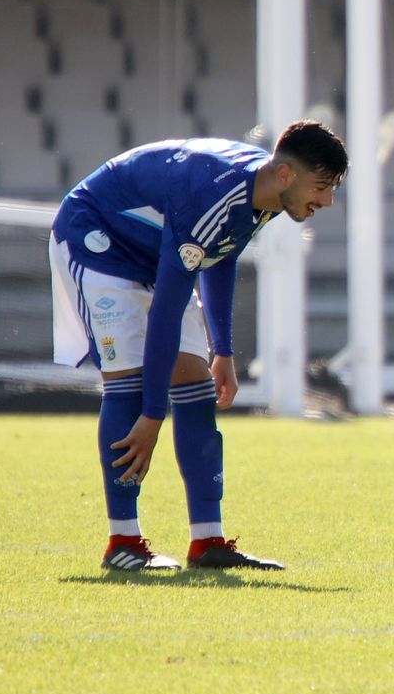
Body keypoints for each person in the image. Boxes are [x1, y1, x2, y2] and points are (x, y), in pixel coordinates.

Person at [49, 120, 348, 571]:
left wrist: (221, 349)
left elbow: (221, 251)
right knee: (129, 383)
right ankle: (122, 541)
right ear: (285, 174)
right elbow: (166, 314)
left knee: (195, 384)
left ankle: (207, 542)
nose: (327, 201)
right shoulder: (211, 193)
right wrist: (153, 415)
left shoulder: (265, 193)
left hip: (155, 253)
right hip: (98, 240)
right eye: (322, 187)